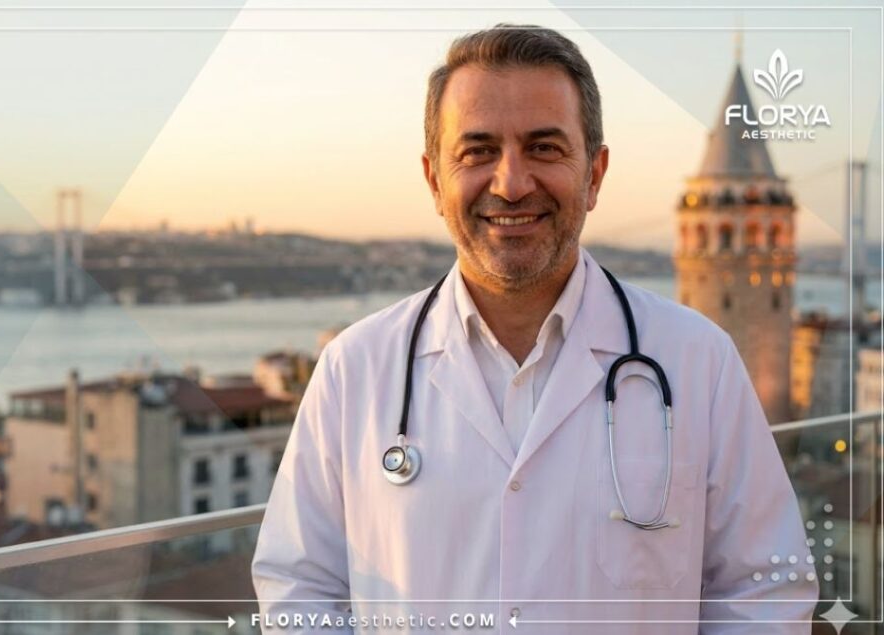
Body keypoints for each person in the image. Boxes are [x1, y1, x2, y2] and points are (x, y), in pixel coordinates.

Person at [252, 24, 818, 634]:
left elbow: (764, 589)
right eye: (477, 151)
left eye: (545, 147)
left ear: (595, 174)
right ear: (434, 180)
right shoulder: (353, 367)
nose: (512, 183)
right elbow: (300, 586)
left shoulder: (698, 360)